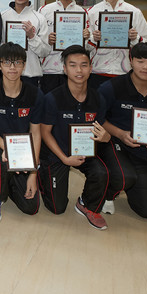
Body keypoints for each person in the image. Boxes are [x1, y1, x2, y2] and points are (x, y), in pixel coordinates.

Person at [97, 43, 147, 219]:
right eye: (140, 61)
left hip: (142, 152)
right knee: (125, 176)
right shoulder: (111, 88)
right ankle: (106, 193)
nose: (146, 67)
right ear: (131, 61)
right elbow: (98, 119)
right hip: (111, 144)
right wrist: (120, 134)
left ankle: (124, 183)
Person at [38, 45, 111, 230]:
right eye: (73, 65)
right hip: (57, 154)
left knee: (101, 173)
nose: (79, 70)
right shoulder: (52, 98)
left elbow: (101, 128)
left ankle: (87, 204)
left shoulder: (98, 99)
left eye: (84, 65)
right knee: (56, 208)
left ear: (91, 67)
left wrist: (105, 137)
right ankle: (42, 174)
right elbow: (44, 132)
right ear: (64, 69)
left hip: (84, 151)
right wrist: (64, 158)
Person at [0, 43, 44, 224]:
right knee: (0, 160)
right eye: (7, 62)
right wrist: (6, 147)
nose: (12, 68)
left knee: (31, 208)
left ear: (24, 64)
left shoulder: (35, 94)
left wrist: (33, 173)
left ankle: (8, 178)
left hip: (23, 147)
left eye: (17, 62)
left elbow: (36, 133)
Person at [87, 0, 147, 89]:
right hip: (97, 70)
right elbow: (83, 45)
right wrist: (93, 38)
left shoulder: (134, 12)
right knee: (99, 106)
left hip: (126, 71)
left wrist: (136, 38)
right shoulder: (92, 12)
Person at [38, 0, 90, 94]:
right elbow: (37, 39)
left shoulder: (83, 12)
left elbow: (88, 46)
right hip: (49, 68)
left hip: (74, 71)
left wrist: (87, 37)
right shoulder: (44, 10)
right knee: (50, 104)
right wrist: (47, 40)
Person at [0, 0, 50, 87]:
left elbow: (45, 51)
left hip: (30, 74)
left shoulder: (39, 18)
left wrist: (32, 36)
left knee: (29, 104)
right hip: (7, 72)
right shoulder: (2, 16)